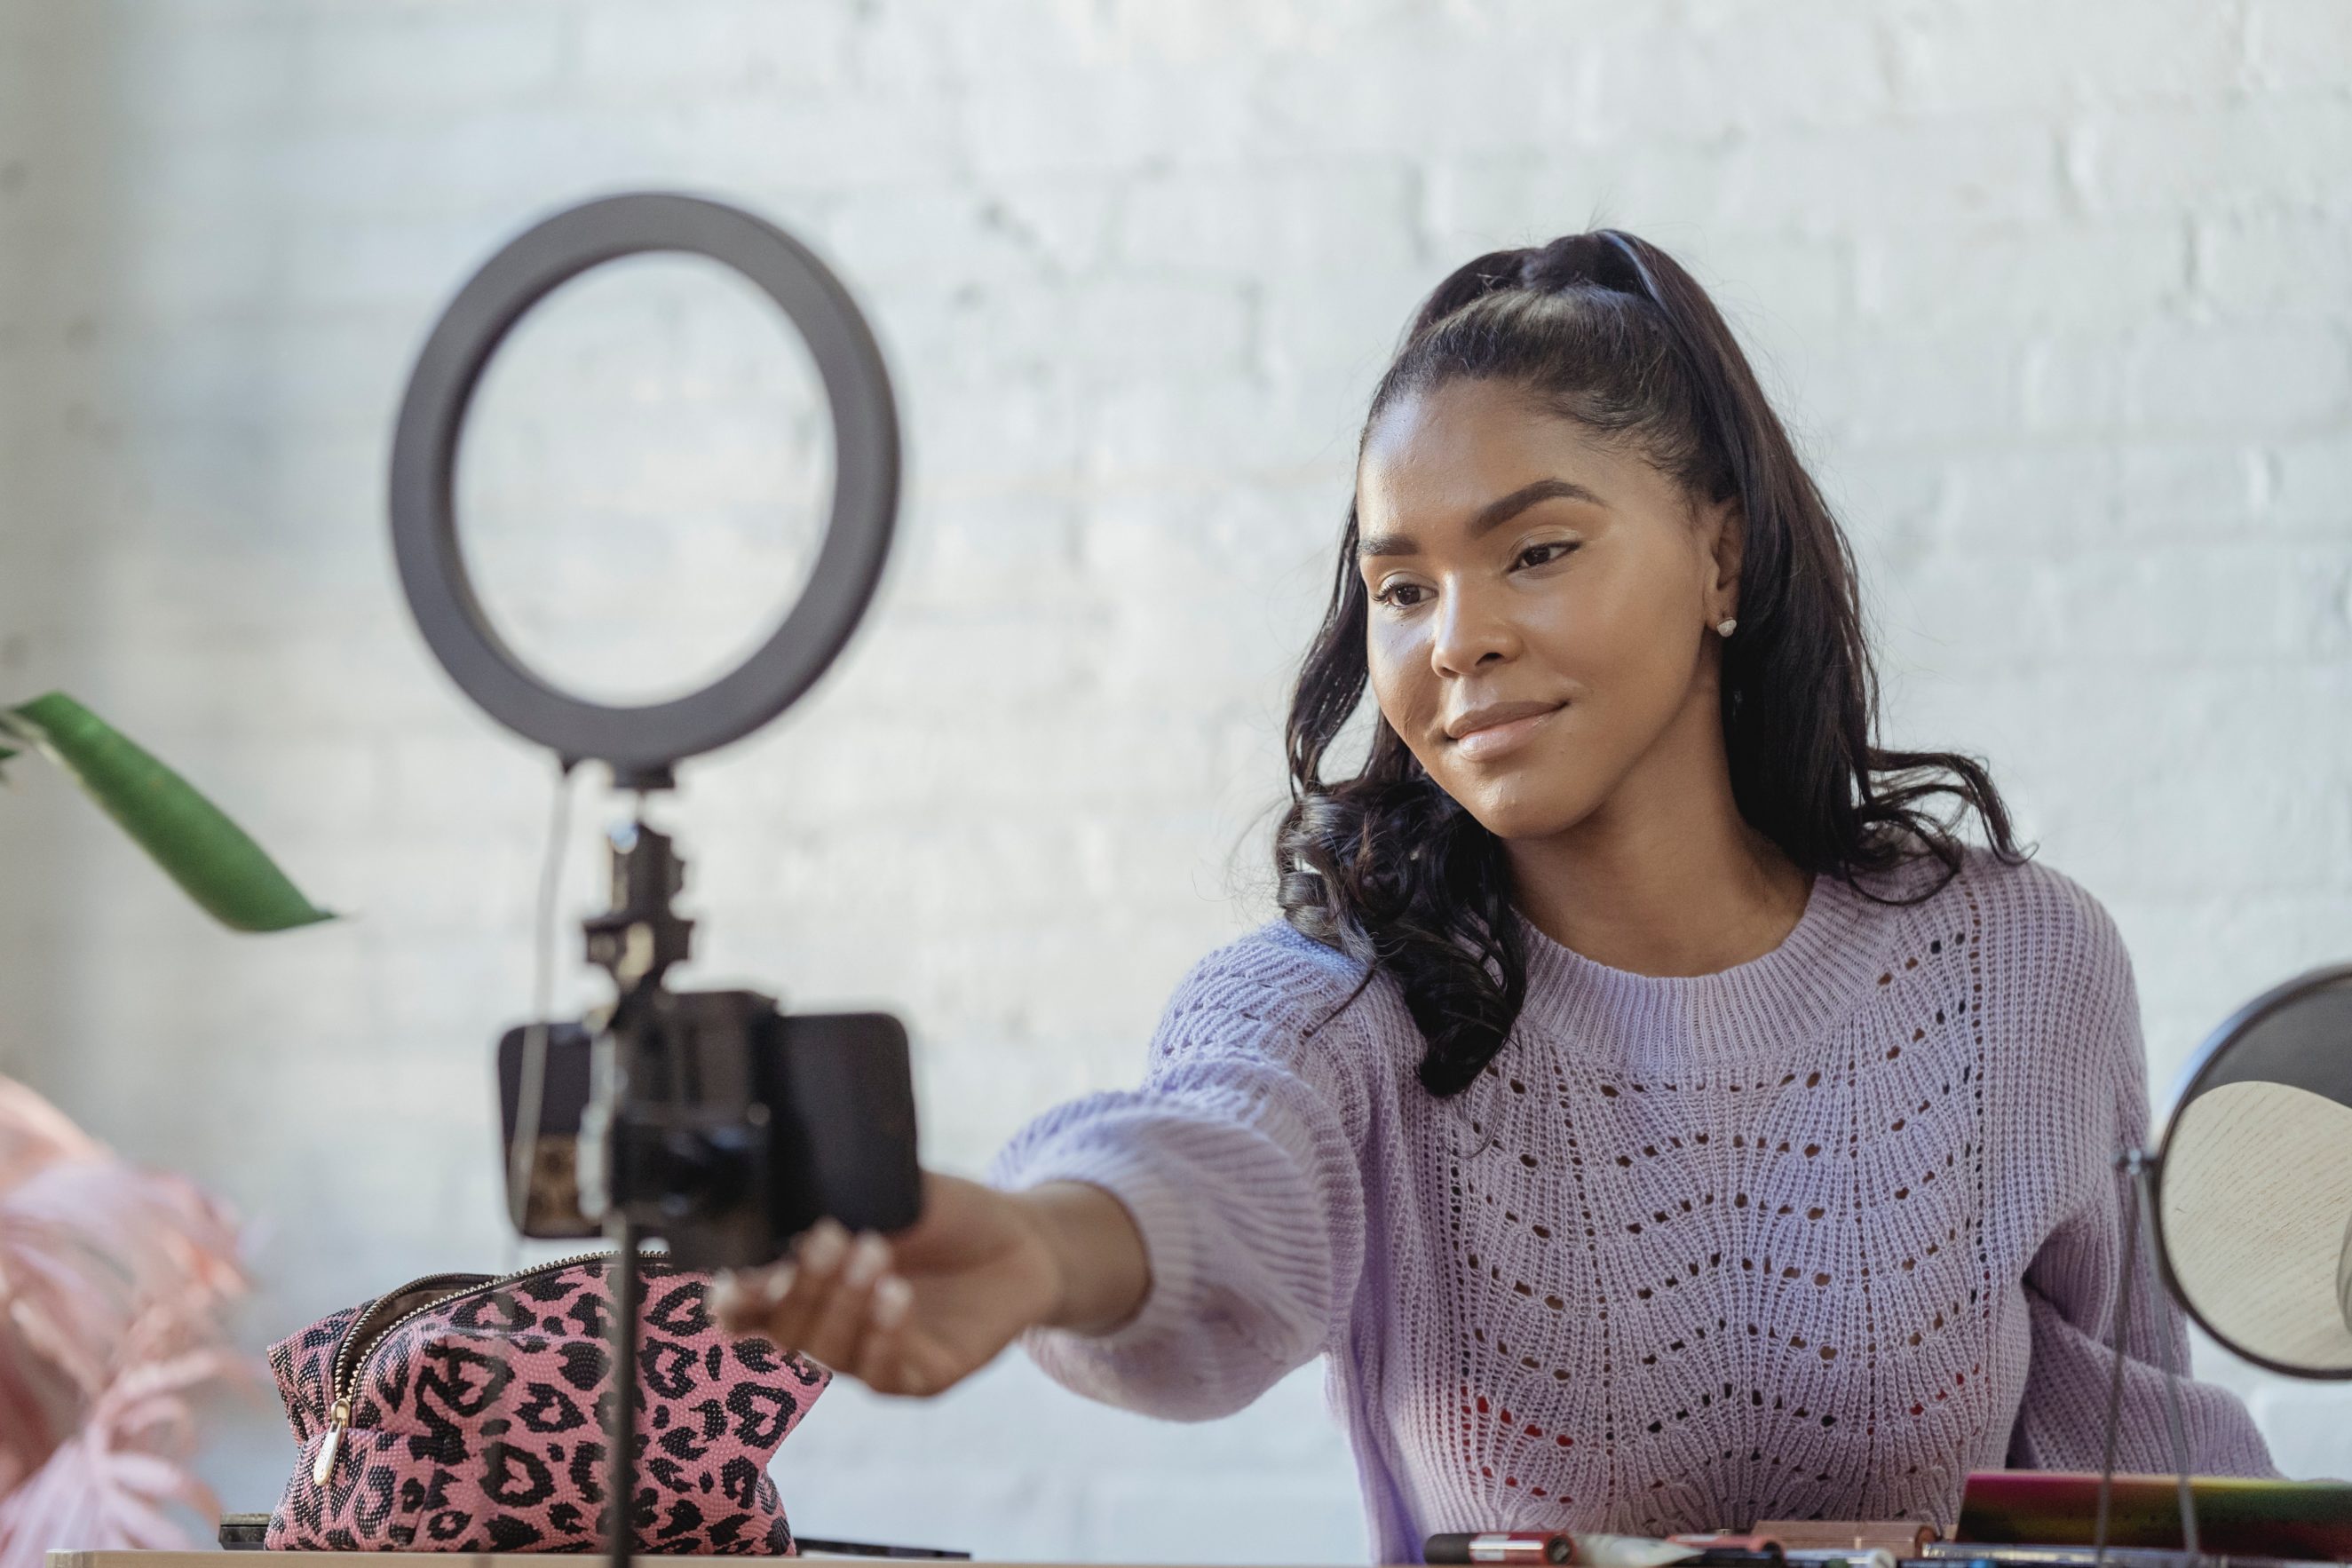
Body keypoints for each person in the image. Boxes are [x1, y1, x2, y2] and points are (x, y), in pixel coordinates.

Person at [710, 230, 2277, 1558]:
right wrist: (1049, 1242)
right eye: (1401, 587)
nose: (1453, 637)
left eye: (1533, 551)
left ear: (1719, 557)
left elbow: (2140, 1477)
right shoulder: (1346, 999)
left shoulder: (2014, 962)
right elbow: (1208, 1161)